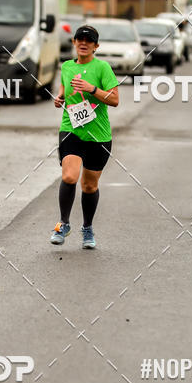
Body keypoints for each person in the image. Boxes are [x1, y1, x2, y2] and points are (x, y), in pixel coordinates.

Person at [51, 25, 119, 249]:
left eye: (89, 40)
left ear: (96, 46)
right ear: (73, 42)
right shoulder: (67, 66)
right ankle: (63, 223)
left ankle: (87, 228)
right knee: (70, 176)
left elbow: (114, 99)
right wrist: (60, 97)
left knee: (89, 186)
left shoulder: (102, 68)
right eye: (79, 39)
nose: (83, 42)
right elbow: (64, 85)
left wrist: (92, 89)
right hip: (71, 129)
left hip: (98, 134)